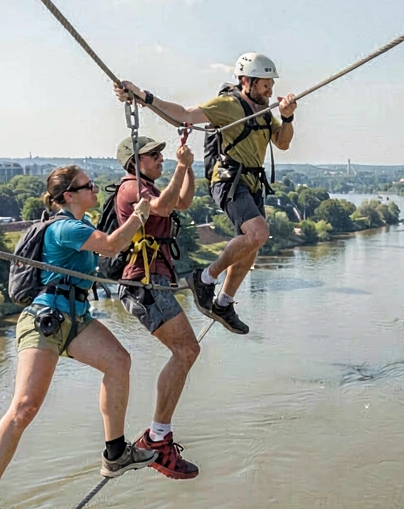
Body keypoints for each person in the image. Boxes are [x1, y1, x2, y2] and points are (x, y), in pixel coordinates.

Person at [0, 165, 159, 509]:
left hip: (74, 318)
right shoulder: (64, 227)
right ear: (69, 195)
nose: (94, 190)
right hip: (45, 319)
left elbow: (108, 247)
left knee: (119, 362)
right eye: (87, 186)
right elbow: (113, 244)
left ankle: (115, 452)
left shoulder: (78, 226)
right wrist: (140, 215)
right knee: (24, 407)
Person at [114, 52, 297, 334]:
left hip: (251, 183)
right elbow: (185, 115)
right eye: (264, 84)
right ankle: (204, 278)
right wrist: (143, 97)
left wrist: (287, 118)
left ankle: (223, 301)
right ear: (246, 81)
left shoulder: (263, 110)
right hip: (228, 180)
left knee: (253, 244)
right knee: (258, 233)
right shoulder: (227, 104)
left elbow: (282, 143)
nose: (269, 90)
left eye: (271, 84)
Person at [112, 136, 202, 479]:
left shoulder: (146, 187)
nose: (161, 158)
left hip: (154, 281)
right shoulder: (132, 188)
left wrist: (188, 170)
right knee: (186, 351)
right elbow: (163, 208)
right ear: (135, 161)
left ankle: (159, 436)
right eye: (154, 155)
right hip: (144, 282)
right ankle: (157, 438)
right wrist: (181, 165)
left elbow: (181, 201)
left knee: (187, 351)